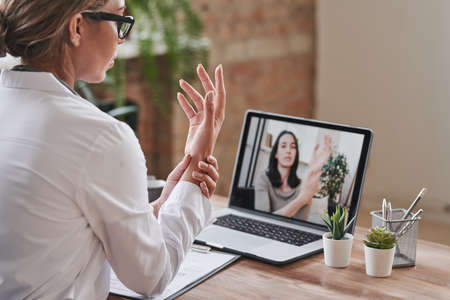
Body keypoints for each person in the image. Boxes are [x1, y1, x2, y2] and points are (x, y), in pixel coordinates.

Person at [0, 0, 226, 299]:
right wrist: (194, 178)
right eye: (119, 18)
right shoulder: (100, 137)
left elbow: (53, 226)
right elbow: (151, 276)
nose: (122, 37)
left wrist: (165, 202)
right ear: (77, 27)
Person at [255, 131, 332, 219]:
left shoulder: (303, 187)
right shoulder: (263, 179)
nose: (288, 151)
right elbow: (262, 220)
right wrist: (301, 199)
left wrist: (314, 171)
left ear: (296, 154)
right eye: (283, 146)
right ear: (276, 153)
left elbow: (300, 224)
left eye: (293, 147)